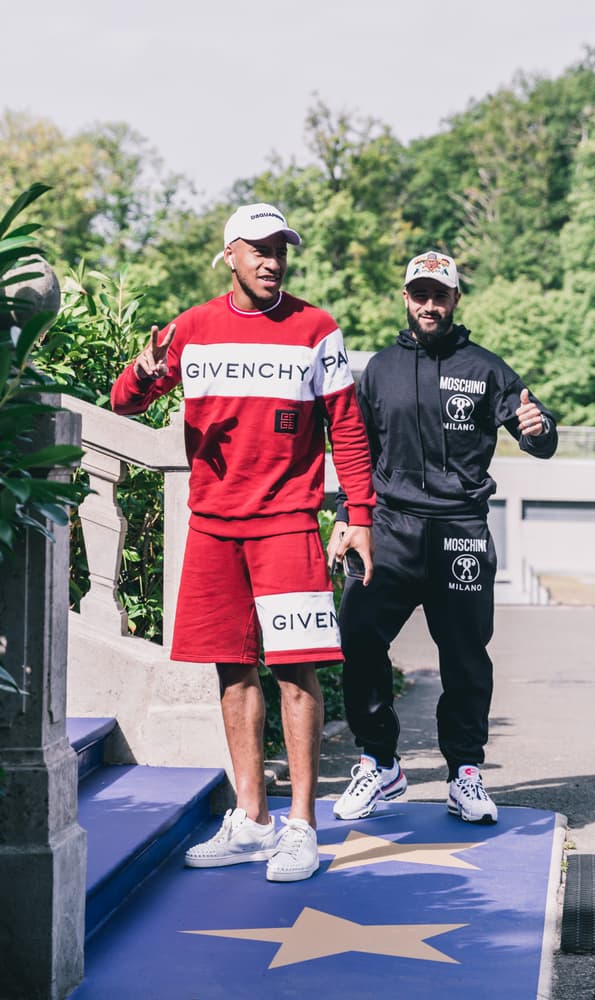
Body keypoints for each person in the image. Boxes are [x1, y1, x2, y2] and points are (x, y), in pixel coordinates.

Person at [111, 203, 375, 881]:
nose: (271, 260)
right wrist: (144, 364)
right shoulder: (192, 329)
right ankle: (253, 819)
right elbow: (124, 403)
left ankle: (303, 827)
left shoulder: (317, 328)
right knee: (232, 669)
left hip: (288, 524)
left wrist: (360, 513)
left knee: (296, 669)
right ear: (228, 253)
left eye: (280, 248)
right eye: (257, 248)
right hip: (213, 526)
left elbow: (346, 426)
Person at [329, 249, 558, 825]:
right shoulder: (378, 369)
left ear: (456, 300)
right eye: (420, 294)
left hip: (460, 530)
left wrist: (540, 428)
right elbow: (359, 453)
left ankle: (464, 774)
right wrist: (344, 514)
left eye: (440, 295)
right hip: (388, 528)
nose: (430, 304)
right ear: (405, 299)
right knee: (357, 637)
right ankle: (381, 763)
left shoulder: (485, 367)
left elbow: (537, 431)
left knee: (464, 656)